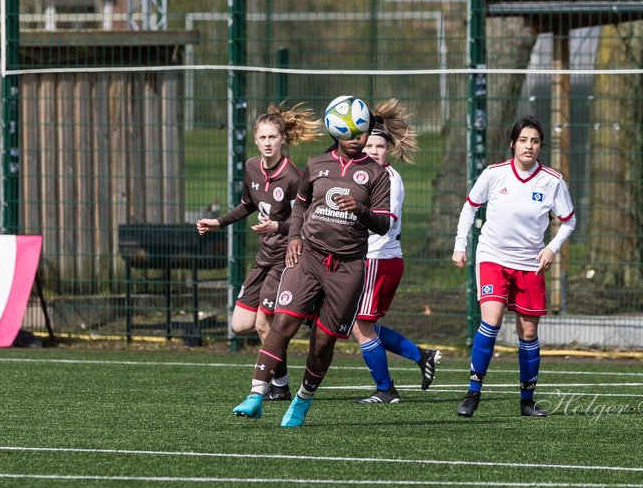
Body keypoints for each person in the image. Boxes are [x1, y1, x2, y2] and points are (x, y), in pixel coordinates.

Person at [232, 95, 392, 427]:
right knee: (283, 322)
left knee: (323, 341)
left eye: (361, 133)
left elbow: (383, 223)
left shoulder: (377, 174)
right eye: (350, 133)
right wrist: (293, 238)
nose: (357, 139)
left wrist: (360, 210)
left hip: (348, 267)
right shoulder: (317, 164)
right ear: (337, 132)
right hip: (309, 257)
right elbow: (301, 205)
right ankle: (256, 394)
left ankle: (303, 400)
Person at [451, 116, 575, 418]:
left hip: (530, 264)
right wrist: (460, 244)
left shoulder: (552, 181)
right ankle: (473, 392)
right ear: (512, 143)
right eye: (523, 140)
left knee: (528, 333)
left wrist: (551, 248)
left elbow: (569, 221)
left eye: (534, 141)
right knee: (490, 322)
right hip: (493, 257)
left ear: (540, 146)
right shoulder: (494, 174)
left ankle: (527, 400)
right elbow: (470, 207)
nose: (528, 146)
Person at [198, 103, 320, 400]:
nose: (268, 143)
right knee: (240, 325)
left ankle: (278, 386)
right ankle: (281, 380)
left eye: (273, 138)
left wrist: (276, 228)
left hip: (285, 259)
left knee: (264, 323)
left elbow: (301, 221)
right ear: (256, 140)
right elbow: (248, 205)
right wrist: (219, 222)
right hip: (263, 256)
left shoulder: (293, 177)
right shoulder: (252, 167)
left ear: (283, 140)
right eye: (263, 138)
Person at [349, 99, 440, 404]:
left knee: (361, 326)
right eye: (369, 145)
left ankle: (385, 389)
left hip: (378, 258)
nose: (373, 151)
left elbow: (382, 225)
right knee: (361, 324)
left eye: (380, 146)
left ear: (388, 150)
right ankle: (421, 356)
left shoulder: (389, 179)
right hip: (367, 258)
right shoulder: (360, 174)